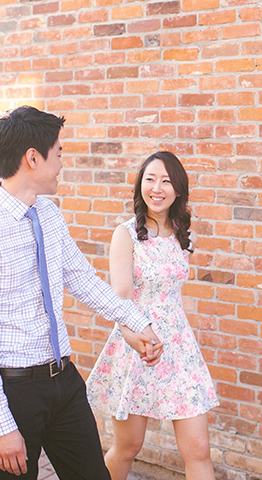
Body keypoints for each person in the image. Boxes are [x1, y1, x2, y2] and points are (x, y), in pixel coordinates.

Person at [0, 106, 163, 480]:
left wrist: (136, 321)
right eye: (59, 152)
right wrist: (1, 425)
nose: (62, 162)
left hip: (63, 382)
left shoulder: (48, 214)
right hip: (15, 392)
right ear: (33, 158)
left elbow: (82, 279)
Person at [86, 151, 219, 480]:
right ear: (140, 185)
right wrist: (139, 337)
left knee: (199, 449)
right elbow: (121, 298)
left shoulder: (183, 233)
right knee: (129, 447)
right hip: (137, 346)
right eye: (150, 179)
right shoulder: (126, 234)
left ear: (178, 190)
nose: (157, 188)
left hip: (179, 348)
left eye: (166, 181)